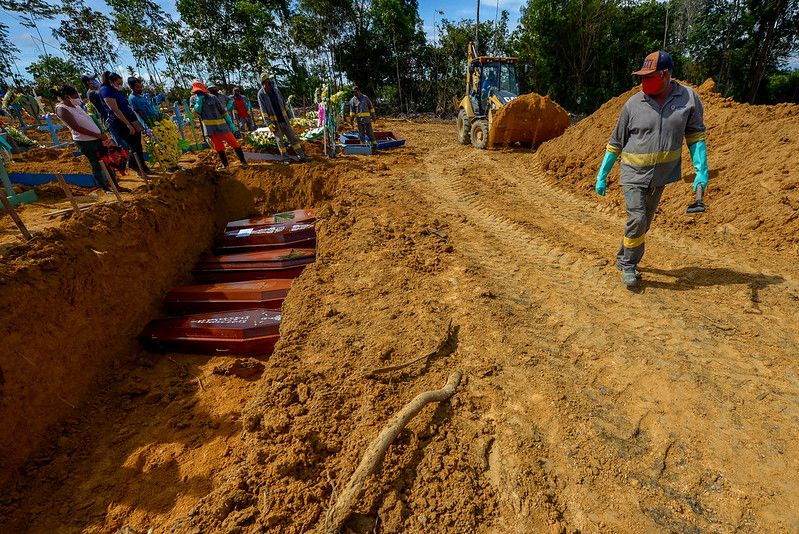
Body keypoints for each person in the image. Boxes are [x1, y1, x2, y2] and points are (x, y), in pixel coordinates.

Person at [595, 51, 709, 288]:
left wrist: (701, 170)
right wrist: (602, 174)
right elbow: (616, 142)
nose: (644, 82)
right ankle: (629, 265)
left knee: (643, 223)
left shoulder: (688, 99)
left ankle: (623, 255)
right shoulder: (633, 104)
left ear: (665, 75)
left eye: (649, 77)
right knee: (637, 218)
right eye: (642, 77)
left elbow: (695, 136)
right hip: (633, 173)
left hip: (661, 176)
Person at [53, 85, 129, 193]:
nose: (78, 98)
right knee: (96, 165)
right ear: (67, 97)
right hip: (85, 142)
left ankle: (116, 186)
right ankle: (105, 189)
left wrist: (101, 134)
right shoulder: (62, 109)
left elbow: (90, 122)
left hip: (97, 138)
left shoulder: (77, 107)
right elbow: (76, 127)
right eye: (75, 96)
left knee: (107, 162)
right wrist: (97, 135)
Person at [99, 71, 151, 174]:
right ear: (111, 81)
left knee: (137, 144)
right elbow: (115, 109)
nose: (120, 85)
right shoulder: (105, 90)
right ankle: (136, 166)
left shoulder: (115, 90)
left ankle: (141, 166)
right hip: (120, 121)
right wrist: (128, 124)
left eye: (121, 83)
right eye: (118, 83)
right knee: (134, 145)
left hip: (130, 118)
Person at [189, 81, 248, 169]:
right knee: (219, 147)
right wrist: (199, 103)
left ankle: (243, 161)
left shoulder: (212, 97)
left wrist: (230, 122)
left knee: (234, 143)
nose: (199, 93)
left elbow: (222, 111)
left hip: (222, 126)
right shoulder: (193, 99)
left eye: (200, 91)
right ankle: (225, 164)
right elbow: (194, 114)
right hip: (210, 129)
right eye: (197, 92)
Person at [257, 73, 310, 162]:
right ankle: (285, 159)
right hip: (275, 123)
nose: (268, 84)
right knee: (280, 142)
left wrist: (290, 117)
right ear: (263, 83)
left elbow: (284, 103)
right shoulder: (261, 94)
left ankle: (302, 156)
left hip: (284, 120)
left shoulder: (276, 90)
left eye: (268, 82)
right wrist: (268, 123)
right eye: (266, 83)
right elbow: (263, 111)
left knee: (293, 139)